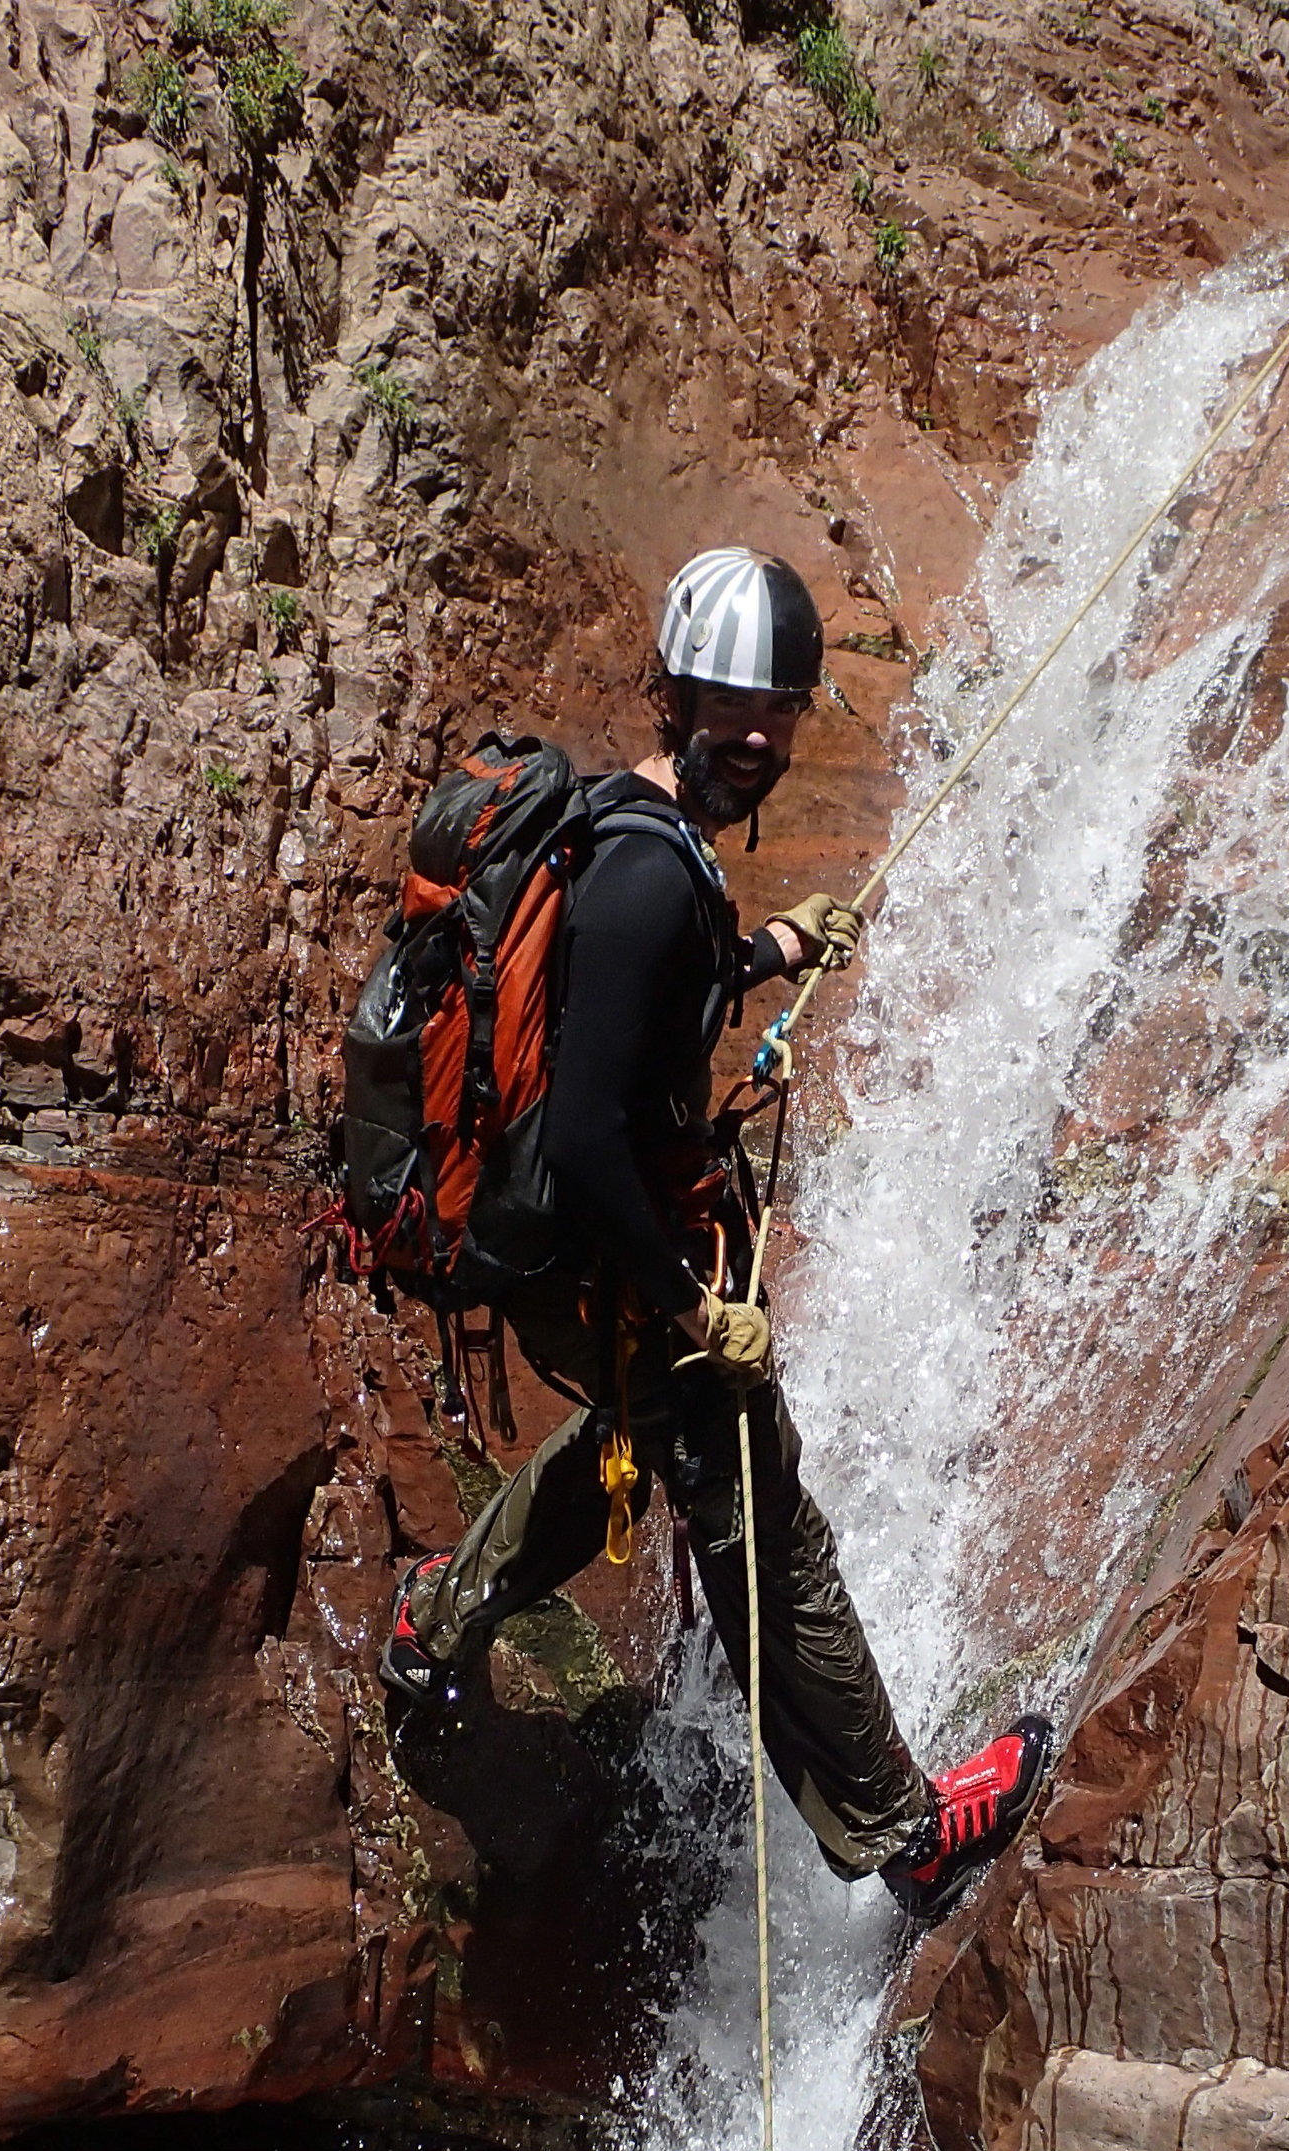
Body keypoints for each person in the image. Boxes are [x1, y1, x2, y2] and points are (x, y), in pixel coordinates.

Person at [378, 545, 1050, 1922]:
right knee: (759, 1500)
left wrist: (767, 958)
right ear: (672, 694)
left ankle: (436, 1620)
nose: (756, 735)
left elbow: (617, 1013)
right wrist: (697, 1310)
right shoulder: (648, 874)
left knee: (639, 1432)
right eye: (730, 705)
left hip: (573, 1248)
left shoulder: (637, 825)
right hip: (610, 1248)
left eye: (780, 709)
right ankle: (901, 1828)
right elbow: (582, 1138)